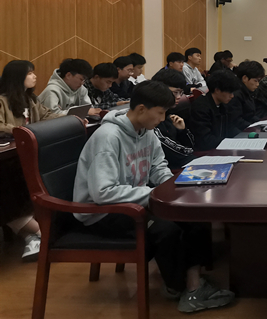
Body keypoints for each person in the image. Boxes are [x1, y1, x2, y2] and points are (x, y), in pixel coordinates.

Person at [72, 81, 234, 312]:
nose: (163, 119)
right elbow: (103, 192)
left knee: (193, 215)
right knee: (166, 228)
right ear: (141, 109)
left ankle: (193, 284)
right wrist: (157, 194)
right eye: (160, 113)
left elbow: (158, 167)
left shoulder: (146, 132)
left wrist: (175, 188)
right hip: (102, 212)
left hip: (133, 200)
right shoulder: (108, 137)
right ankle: (180, 287)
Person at [0, 60, 61, 261]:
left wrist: (69, 117)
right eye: (30, 73)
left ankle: (34, 234)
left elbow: (47, 115)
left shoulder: (31, 99)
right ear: (17, 77)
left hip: (26, 155)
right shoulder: (2, 101)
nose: (35, 77)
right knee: (8, 184)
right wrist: (24, 131)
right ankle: (40, 232)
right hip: (9, 158)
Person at [150, 68, 196, 169]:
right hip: (170, 168)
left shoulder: (170, 114)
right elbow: (175, 156)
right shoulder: (153, 118)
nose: (179, 97)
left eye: (181, 93)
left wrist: (182, 131)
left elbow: (191, 148)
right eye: (175, 92)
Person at [189, 71, 239, 151]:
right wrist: (229, 142)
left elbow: (231, 128)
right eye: (229, 92)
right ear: (217, 90)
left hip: (220, 147)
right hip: (206, 151)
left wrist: (241, 138)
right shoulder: (201, 107)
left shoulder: (224, 104)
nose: (232, 96)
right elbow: (205, 140)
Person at [228, 61, 265, 133]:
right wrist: (255, 129)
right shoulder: (235, 94)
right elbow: (236, 121)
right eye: (255, 81)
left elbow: (251, 115)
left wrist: (261, 123)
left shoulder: (248, 91)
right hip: (240, 132)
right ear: (245, 78)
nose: (257, 84)